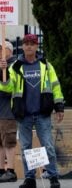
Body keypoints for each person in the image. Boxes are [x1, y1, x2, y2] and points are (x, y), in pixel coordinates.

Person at [0, 34, 64, 188]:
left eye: (32, 44)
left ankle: (53, 177)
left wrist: (59, 106)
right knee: (26, 148)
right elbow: (7, 88)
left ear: (36, 46)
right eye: (26, 44)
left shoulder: (46, 66)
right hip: (24, 114)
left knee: (48, 145)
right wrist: (3, 73)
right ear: (22, 46)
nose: (29, 46)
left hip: (42, 113)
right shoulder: (15, 66)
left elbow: (55, 86)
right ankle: (30, 179)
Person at [0, 41, 17, 183]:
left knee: (9, 142)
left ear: (8, 51)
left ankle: (10, 171)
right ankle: (1, 170)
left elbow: (8, 87)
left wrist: (2, 71)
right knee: (0, 142)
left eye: (1, 49)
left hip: (8, 110)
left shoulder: (14, 65)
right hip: (1, 110)